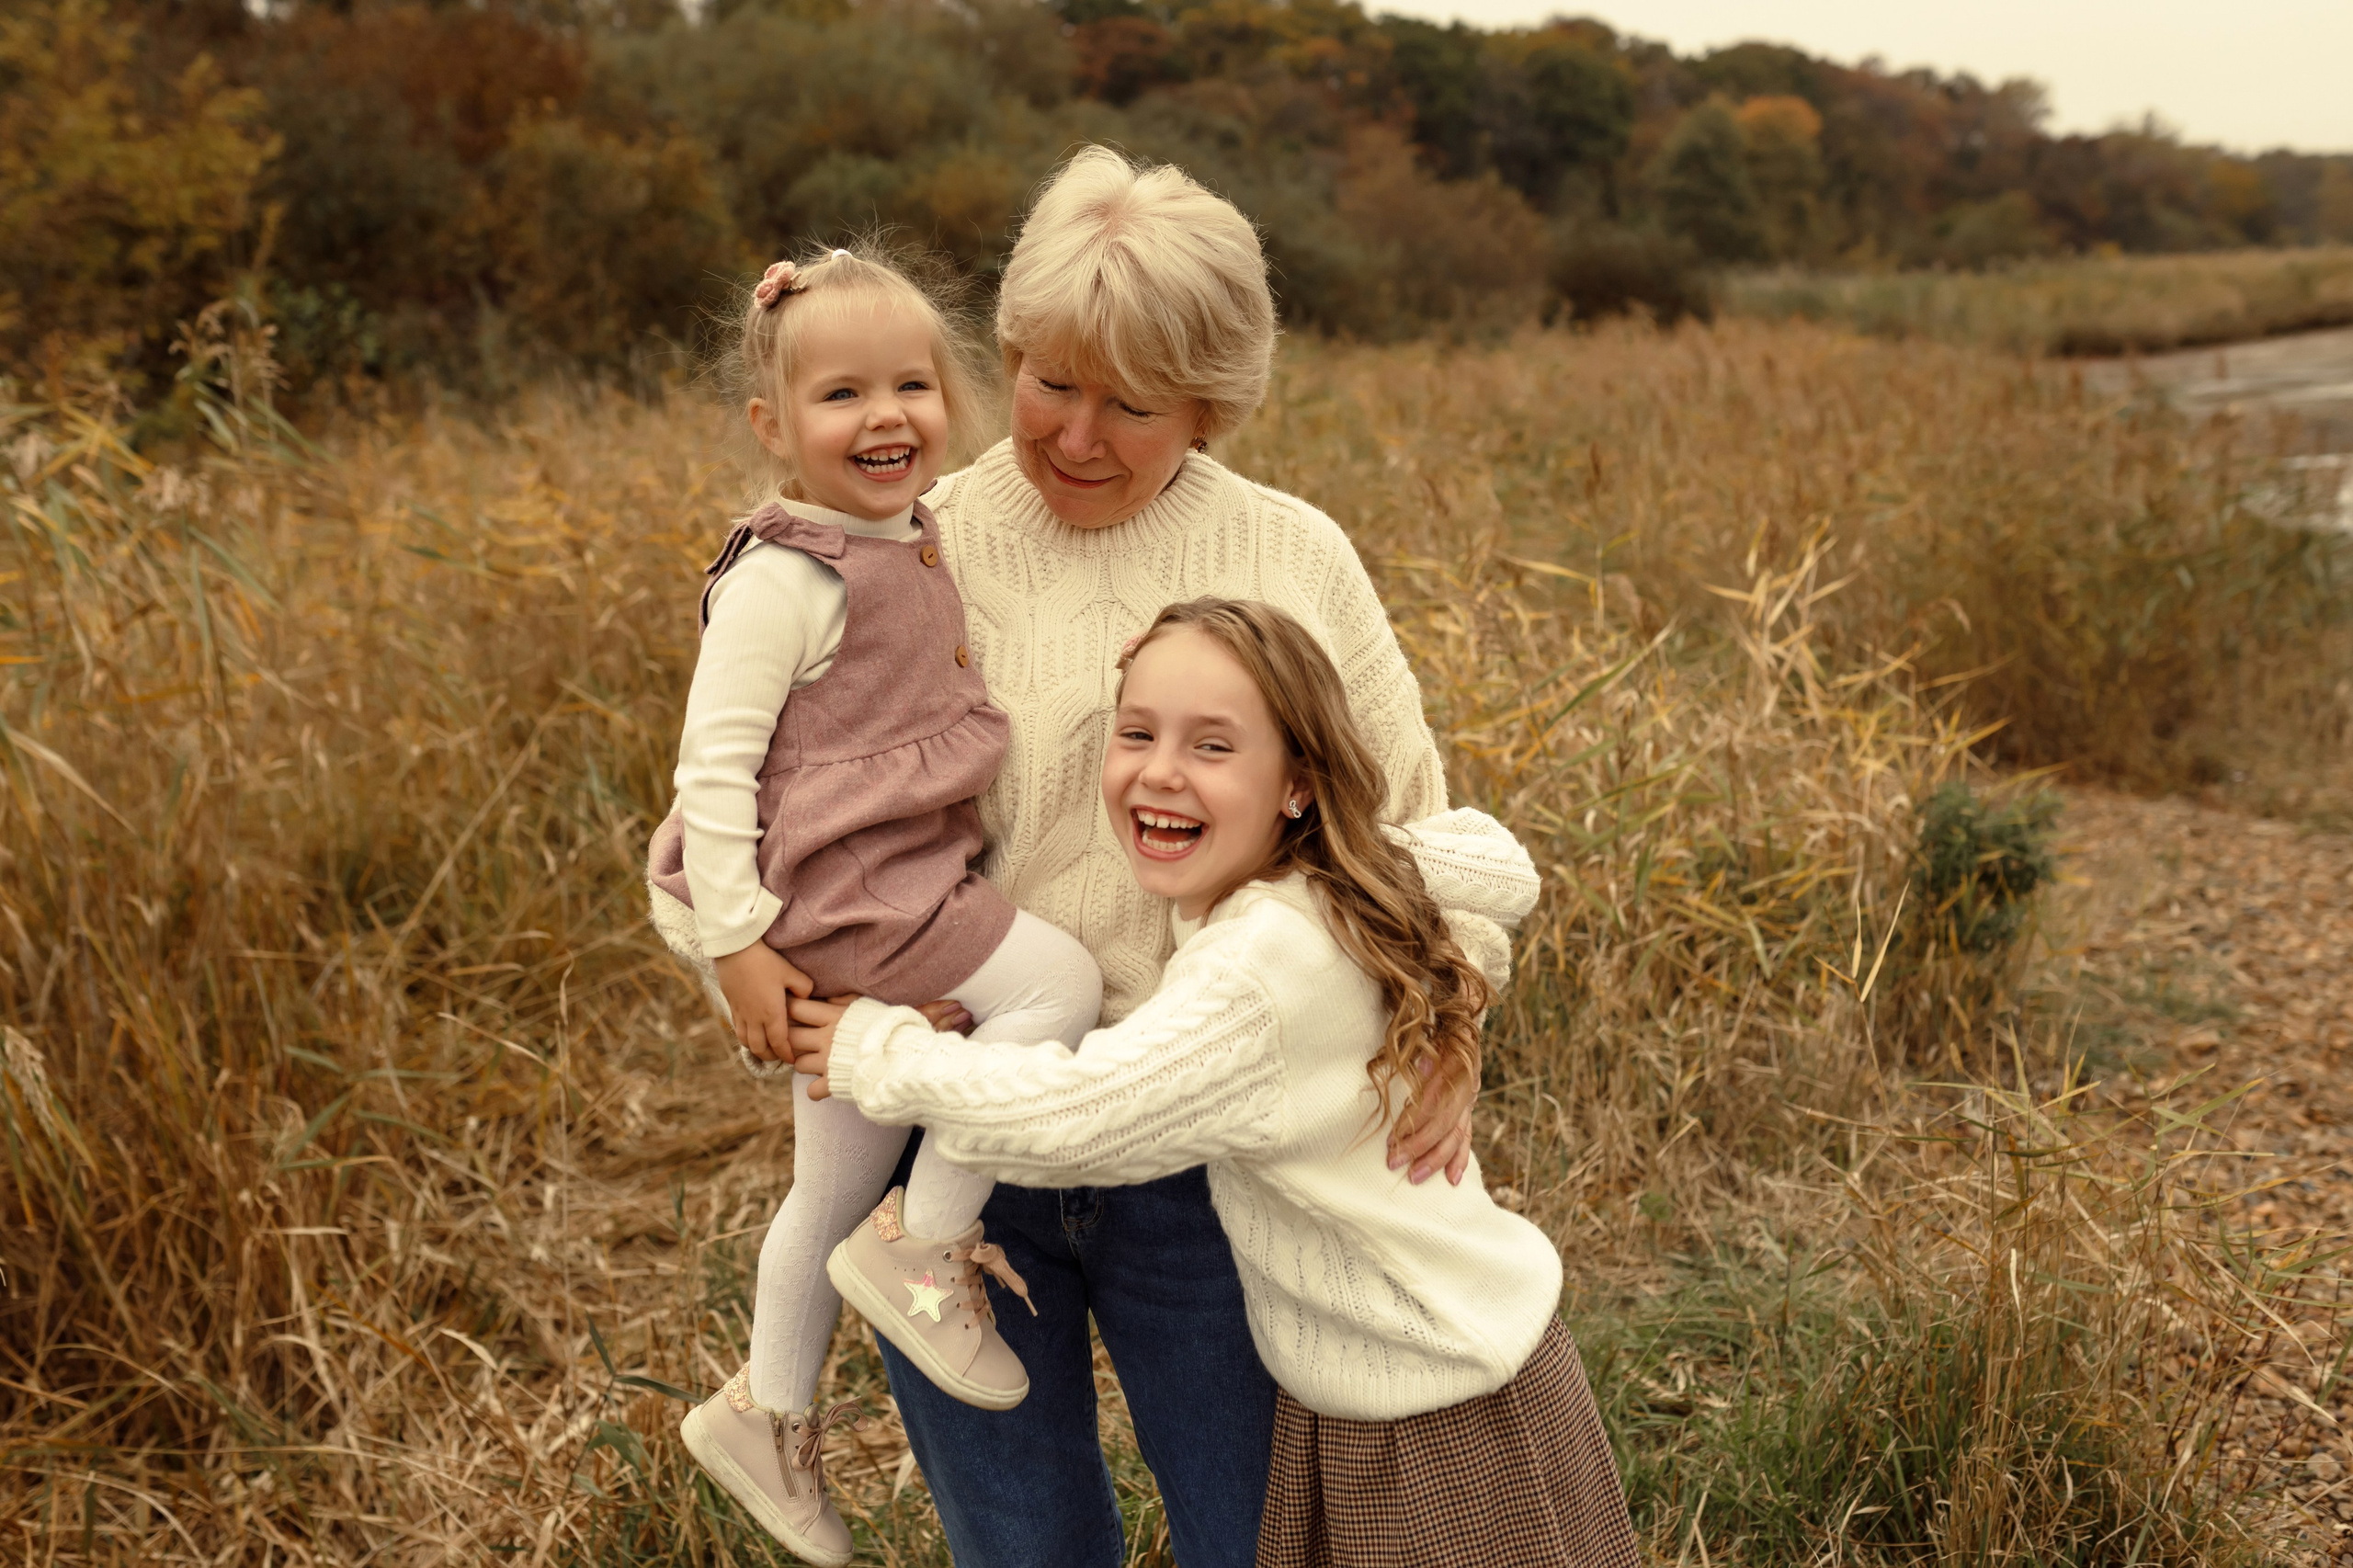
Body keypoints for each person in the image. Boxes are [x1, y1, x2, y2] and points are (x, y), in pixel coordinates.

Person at [766, 145, 1519, 1568]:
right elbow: (776, 801)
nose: (1078, 435)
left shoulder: (1290, 557)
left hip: (1215, 1155)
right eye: (1051, 379)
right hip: (954, 1143)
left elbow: (1415, 836)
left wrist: (1451, 1014)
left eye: (1136, 402)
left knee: (1255, 1537)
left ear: (1216, 401)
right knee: (1021, 1547)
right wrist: (773, 972)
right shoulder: (905, 547)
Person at [790, 599, 1640, 1568]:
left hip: (1431, 1417)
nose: (1160, 770)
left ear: (1296, 786)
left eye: (1213, 745)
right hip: (1418, 1380)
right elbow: (1499, 861)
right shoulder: (1333, 874)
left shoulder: (1259, 967)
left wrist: (875, 1048)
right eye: (1138, 730)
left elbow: (1079, 1119)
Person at [642, 244, 1104, 1567]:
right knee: (1054, 985)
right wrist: (736, 946)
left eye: (911, 382)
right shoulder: (786, 574)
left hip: (866, 889)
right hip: (860, 900)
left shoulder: (910, 531)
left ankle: (766, 1410)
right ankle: (932, 1236)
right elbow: (712, 772)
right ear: (772, 427)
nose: (885, 415)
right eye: (841, 395)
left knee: (825, 1186)